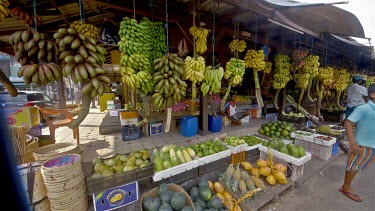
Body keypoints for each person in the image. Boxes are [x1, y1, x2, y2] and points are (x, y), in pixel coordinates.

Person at [339, 83, 375, 202]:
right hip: (361, 145)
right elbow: (348, 123)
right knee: (353, 166)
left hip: (372, 145)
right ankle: (346, 186)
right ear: (373, 95)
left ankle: (347, 185)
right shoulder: (363, 108)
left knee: (359, 166)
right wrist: (353, 142)